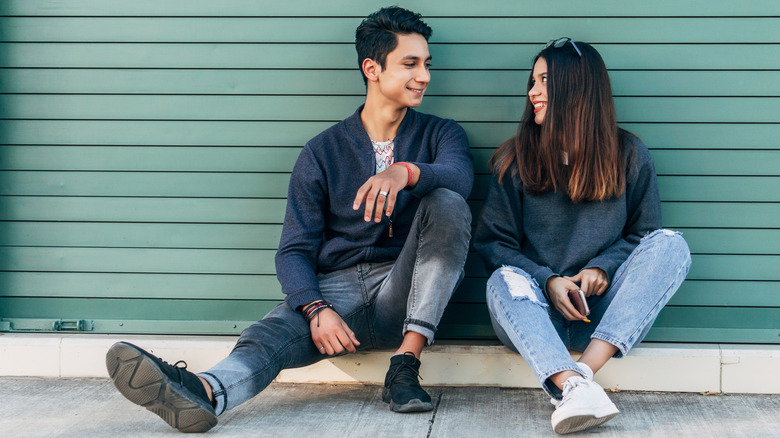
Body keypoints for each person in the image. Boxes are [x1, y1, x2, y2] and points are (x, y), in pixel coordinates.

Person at [105, 7, 473, 433]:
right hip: (335, 293)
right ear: (372, 69)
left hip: (403, 287)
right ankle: (203, 391)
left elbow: (459, 178)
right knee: (269, 334)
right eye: (410, 64)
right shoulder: (322, 151)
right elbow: (294, 250)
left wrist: (404, 172)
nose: (424, 76)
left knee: (448, 202)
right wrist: (315, 308)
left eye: (427, 64)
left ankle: (405, 365)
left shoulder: (441, 134)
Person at [473, 38, 691, 435]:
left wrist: (602, 267)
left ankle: (580, 378)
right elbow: (493, 244)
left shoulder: (629, 154)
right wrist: (548, 280)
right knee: (501, 280)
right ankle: (573, 384)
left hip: (602, 318)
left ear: (578, 88)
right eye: (532, 81)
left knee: (670, 244)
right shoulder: (515, 159)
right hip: (534, 318)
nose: (533, 91)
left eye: (544, 81)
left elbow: (644, 235)